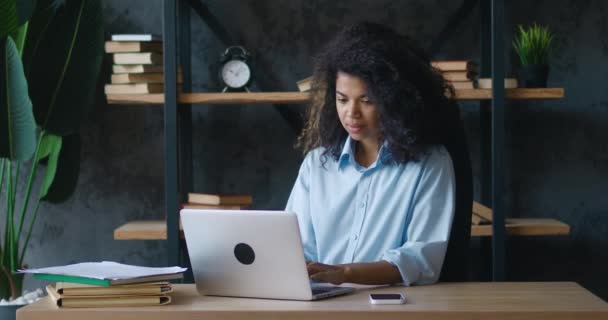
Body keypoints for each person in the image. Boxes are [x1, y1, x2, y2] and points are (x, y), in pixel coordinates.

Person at [285, 22, 462, 286]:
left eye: (367, 100)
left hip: (393, 307)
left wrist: (345, 274)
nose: (351, 113)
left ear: (395, 100)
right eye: (342, 99)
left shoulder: (430, 163)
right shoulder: (317, 165)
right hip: (321, 305)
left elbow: (420, 261)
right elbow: (295, 247)